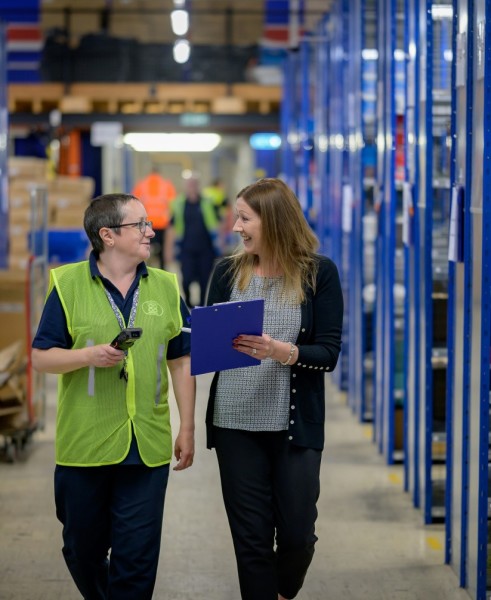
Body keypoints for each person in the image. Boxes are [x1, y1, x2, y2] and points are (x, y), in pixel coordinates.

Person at [31, 192, 196, 600]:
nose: (150, 230)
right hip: (85, 444)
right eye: (139, 224)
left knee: (136, 558)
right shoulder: (67, 284)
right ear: (107, 235)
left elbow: (180, 360)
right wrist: (87, 355)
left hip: (147, 444)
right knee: (82, 550)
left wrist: (187, 426)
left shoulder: (164, 286)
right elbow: (40, 358)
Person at [205, 178, 344, 600]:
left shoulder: (319, 273)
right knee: (251, 542)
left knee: (299, 535)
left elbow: (328, 353)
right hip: (234, 424)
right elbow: (208, 347)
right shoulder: (226, 272)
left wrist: (279, 350)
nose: (235, 227)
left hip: (293, 428)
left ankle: (283, 592)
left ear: (275, 221)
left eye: (245, 218)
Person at [166, 174, 220, 308]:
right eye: (189, 184)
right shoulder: (178, 204)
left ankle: (202, 307)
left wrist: (221, 242)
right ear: (185, 186)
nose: (192, 187)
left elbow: (218, 222)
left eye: (194, 184)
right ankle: (189, 303)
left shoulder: (207, 202)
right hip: (186, 250)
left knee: (204, 281)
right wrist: (168, 249)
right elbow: (171, 228)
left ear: (198, 186)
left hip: (206, 249)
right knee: (186, 279)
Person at [132, 166, 176, 269]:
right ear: (159, 173)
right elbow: (173, 205)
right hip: (162, 223)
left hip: (146, 223)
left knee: (145, 248)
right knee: (161, 251)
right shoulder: (166, 185)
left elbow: (133, 203)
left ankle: (144, 269)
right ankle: (161, 270)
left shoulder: (141, 185)